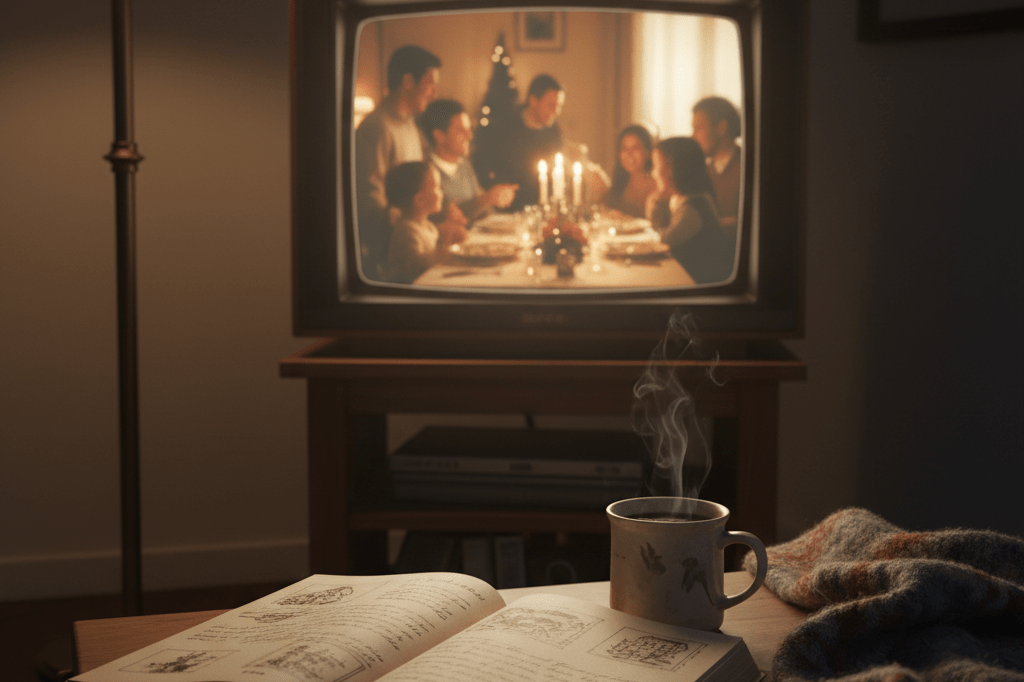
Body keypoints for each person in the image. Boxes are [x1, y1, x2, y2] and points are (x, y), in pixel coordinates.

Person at [354, 45, 441, 278]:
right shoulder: (376, 127)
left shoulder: (410, 126)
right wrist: (412, 233)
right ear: (408, 81)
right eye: (429, 83)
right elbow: (370, 203)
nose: (433, 92)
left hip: (415, 239)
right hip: (392, 255)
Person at [646, 137, 734, 285]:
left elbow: (662, 242)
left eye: (656, 166)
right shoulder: (678, 199)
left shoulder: (693, 209)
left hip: (701, 282)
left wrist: (657, 204)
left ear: (672, 169)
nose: (653, 173)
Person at [472, 74, 565, 211]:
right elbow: (482, 165)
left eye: (559, 106)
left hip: (543, 208)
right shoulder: (505, 126)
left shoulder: (554, 131)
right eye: (551, 105)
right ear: (533, 101)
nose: (556, 112)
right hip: (507, 209)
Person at [418, 99, 518, 223]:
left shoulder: (464, 166)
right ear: (439, 135)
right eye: (461, 130)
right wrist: (487, 199)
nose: (469, 136)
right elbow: (440, 217)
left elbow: (482, 208)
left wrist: (495, 199)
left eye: (469, 129)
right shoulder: (427, 174)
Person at [382, 161, 462, 284]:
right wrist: (444, 249)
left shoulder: (428, 226)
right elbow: (415, 266)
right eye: (437, 187)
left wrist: (450, 237)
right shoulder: (406, 230)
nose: (442, 192)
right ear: (419, 200)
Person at [691, 96, 742, 238]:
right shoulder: (703, 170)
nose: (693, 136)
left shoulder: (746, 167)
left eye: (698, 128)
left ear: (721, 128)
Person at [602, 124, 658, 218]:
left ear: (648, 152)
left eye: (635, 148)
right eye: (624, 148)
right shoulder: (620, 182)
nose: (629, 154)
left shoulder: (658, 185)